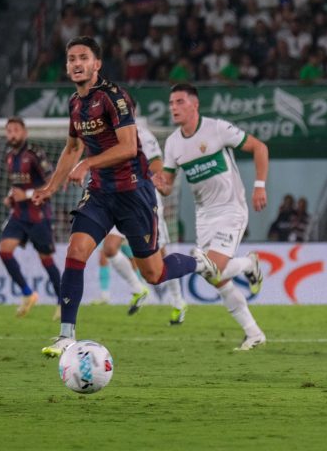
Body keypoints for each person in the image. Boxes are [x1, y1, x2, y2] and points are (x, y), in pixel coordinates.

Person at [34, 36, 219, 358]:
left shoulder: (114, 97)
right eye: (72, 58)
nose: (77, 63)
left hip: (133, 193)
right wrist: (51, 186)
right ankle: (66, 336)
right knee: (76, 251)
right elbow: (73, 147)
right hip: (100, 193)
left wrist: (88, 164)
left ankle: (199, 262)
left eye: (83, 57)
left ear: (97, 64)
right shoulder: (75, 103)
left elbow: (129, 147)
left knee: (154, 274)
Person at [154, 83, 268, 350]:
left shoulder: (217, 128)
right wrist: (161, 185)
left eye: (179, 102)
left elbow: (259, 147)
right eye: (171, 103)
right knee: (214, 276)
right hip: (204, 215)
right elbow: (168, 185)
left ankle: (248, 264)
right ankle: (254, 333)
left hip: (231, 208)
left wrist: (259, 186)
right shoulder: (173, 143)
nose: (173, 107)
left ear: (195, 104)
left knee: (213, 267)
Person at [98, 119, 188, 324]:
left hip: (146, 202)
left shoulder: (143, 135)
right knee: (109, 248)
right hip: (121, 201)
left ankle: (178, 301)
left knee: (161, 255)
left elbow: (157, 165)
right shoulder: (107, 136)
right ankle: (138, 289)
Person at [0, 117, 61, 318]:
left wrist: (26, 195)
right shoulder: (9, 156)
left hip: (38, 214)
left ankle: (63, 301)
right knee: (4, 251)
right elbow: (17, 185)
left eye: (16, 130)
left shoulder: (35, 154)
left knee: (46, 259)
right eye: (9, 131)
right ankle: (27, 294)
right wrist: (11, 196)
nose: (12, 134)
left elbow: (51, 182)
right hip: (19, 214)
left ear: (24, 133)